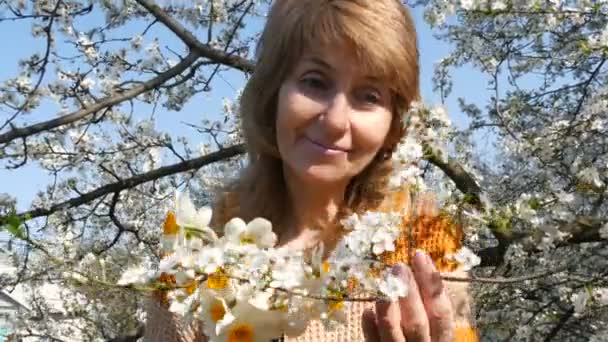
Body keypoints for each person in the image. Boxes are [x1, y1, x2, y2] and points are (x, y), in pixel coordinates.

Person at [144, 0, 478, 341]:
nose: (335, 121)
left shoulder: (425, 243)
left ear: (394, 121)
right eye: (315, 82)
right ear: (273, 92)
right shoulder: (193, 257)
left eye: (369, 96)